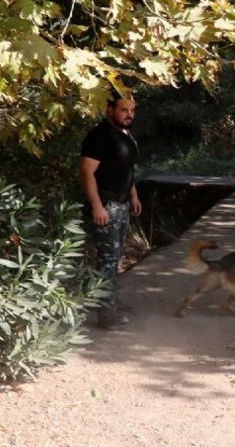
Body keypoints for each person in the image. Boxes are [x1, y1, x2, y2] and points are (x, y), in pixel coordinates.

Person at [80, 89, 142, 329]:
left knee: (114, 257)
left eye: (132, 110)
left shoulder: (126, 134)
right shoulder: (100, 136)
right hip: (106, 205)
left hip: (123, 203)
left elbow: (128, 169)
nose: (129, 114)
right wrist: (97, 206)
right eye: (124, 110)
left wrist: (134, 195)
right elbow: (87, 172)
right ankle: (106, 315)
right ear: (110, 110)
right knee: (107, 259)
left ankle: (110, 303)